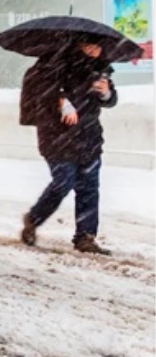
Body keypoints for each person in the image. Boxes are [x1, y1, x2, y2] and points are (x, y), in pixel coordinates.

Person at [19, 42, 117, 255]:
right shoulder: (51, 66)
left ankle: (86, 237)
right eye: (89, 46)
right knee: (63, 182)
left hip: (89, 138)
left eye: (98, 47)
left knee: (89, 188)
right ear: (79, 45)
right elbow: (39, 94)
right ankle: (34, 218)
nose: (93, 51)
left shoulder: (100, 70)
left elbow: (111, 101)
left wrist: (106, 93)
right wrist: (61, 100)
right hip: (57, 137)